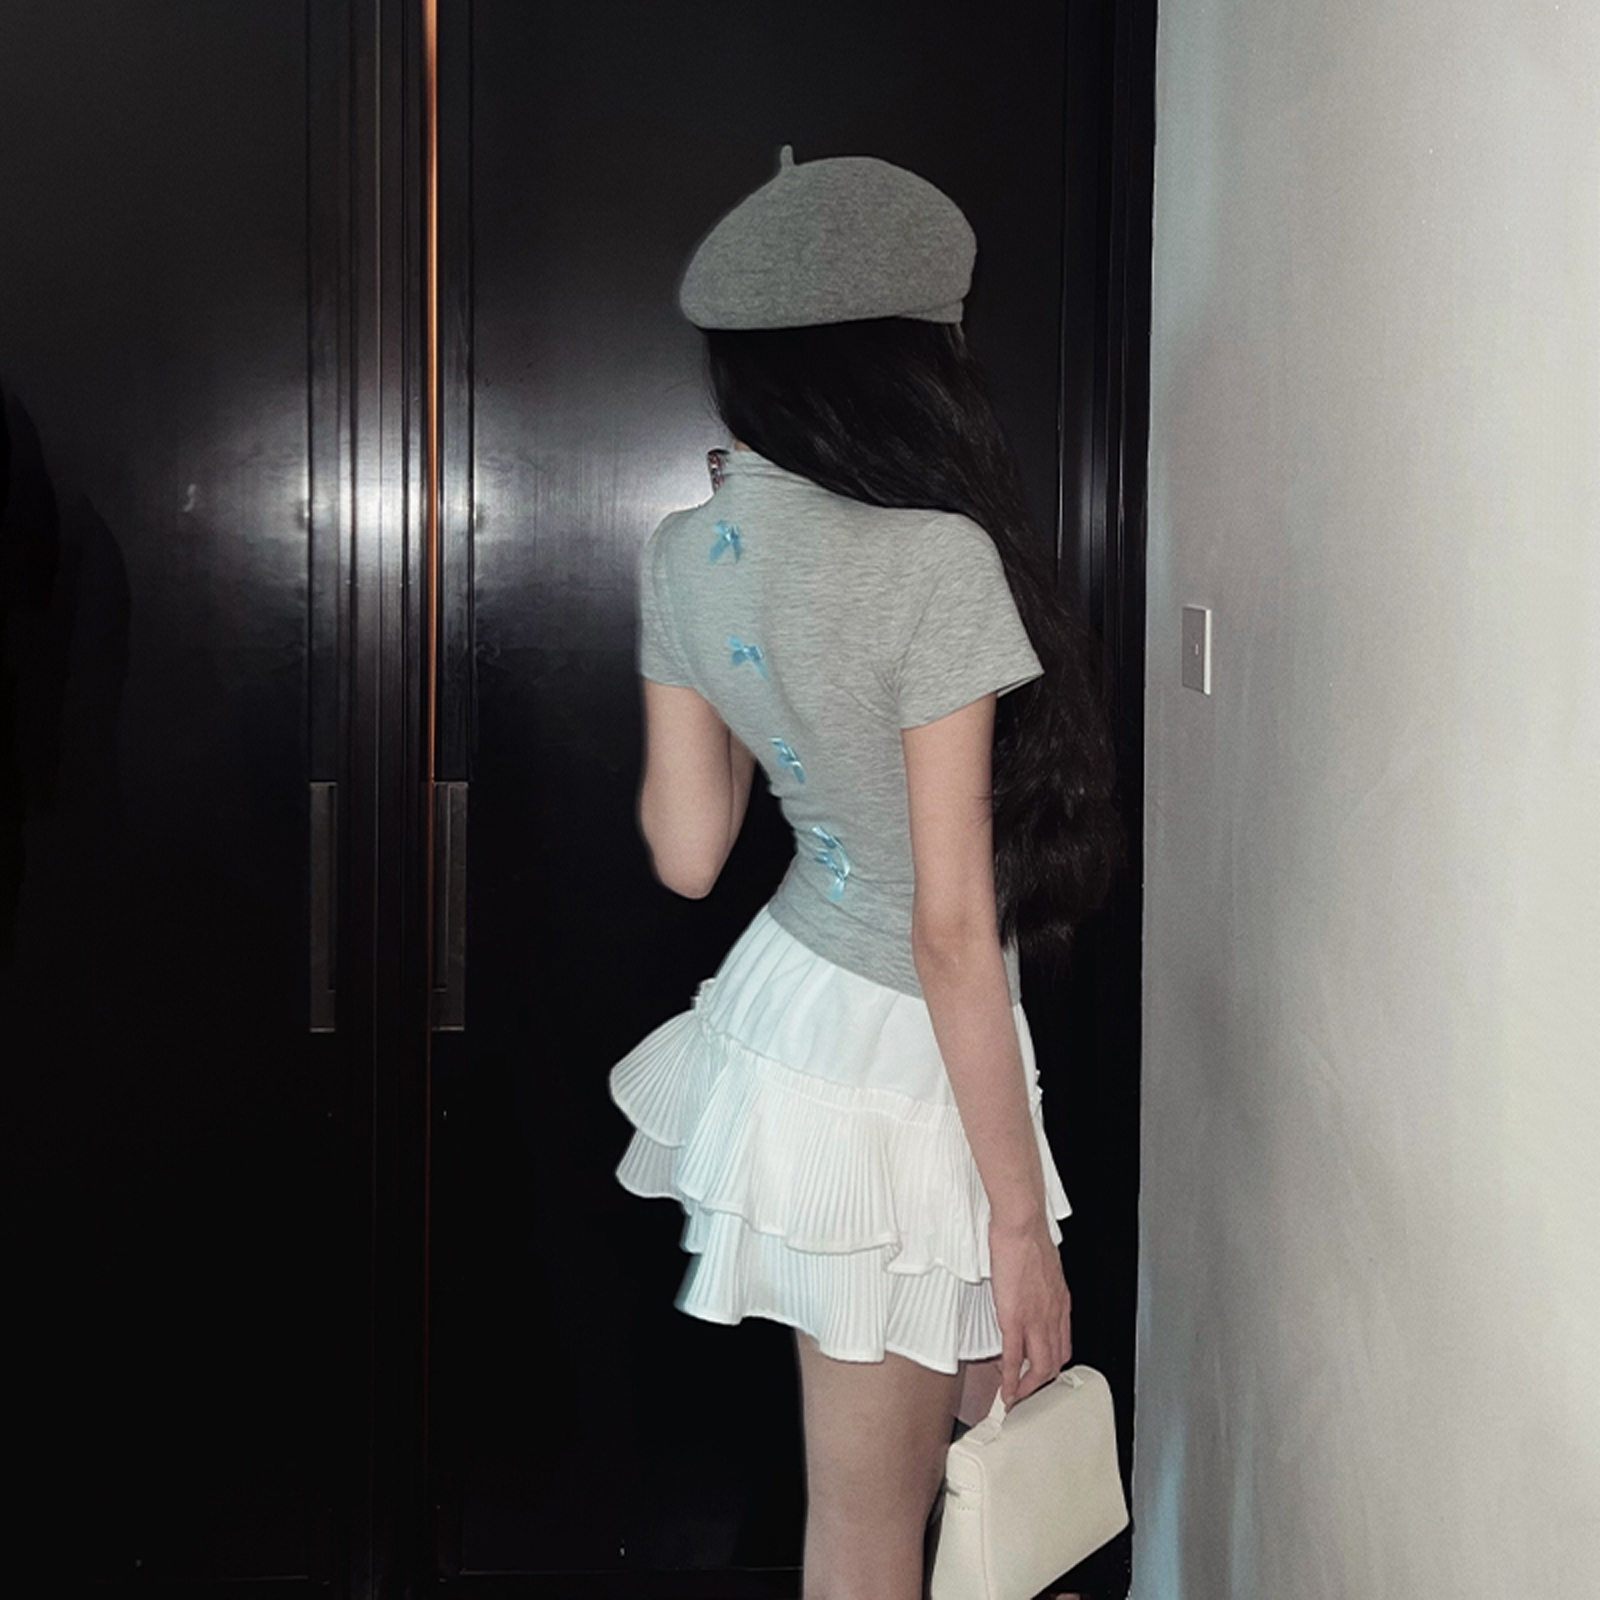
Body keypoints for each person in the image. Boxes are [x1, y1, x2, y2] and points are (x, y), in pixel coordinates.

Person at [608, 147, 1122, 1600]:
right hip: (902, 1057)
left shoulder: (682, 549)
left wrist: (748, 661)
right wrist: (1020, 1230)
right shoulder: (936, 558)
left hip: (799, 1010)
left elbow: (689, 855)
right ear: (906, 361)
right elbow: (953, 928)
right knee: (869, 1533)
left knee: (950, 1443)